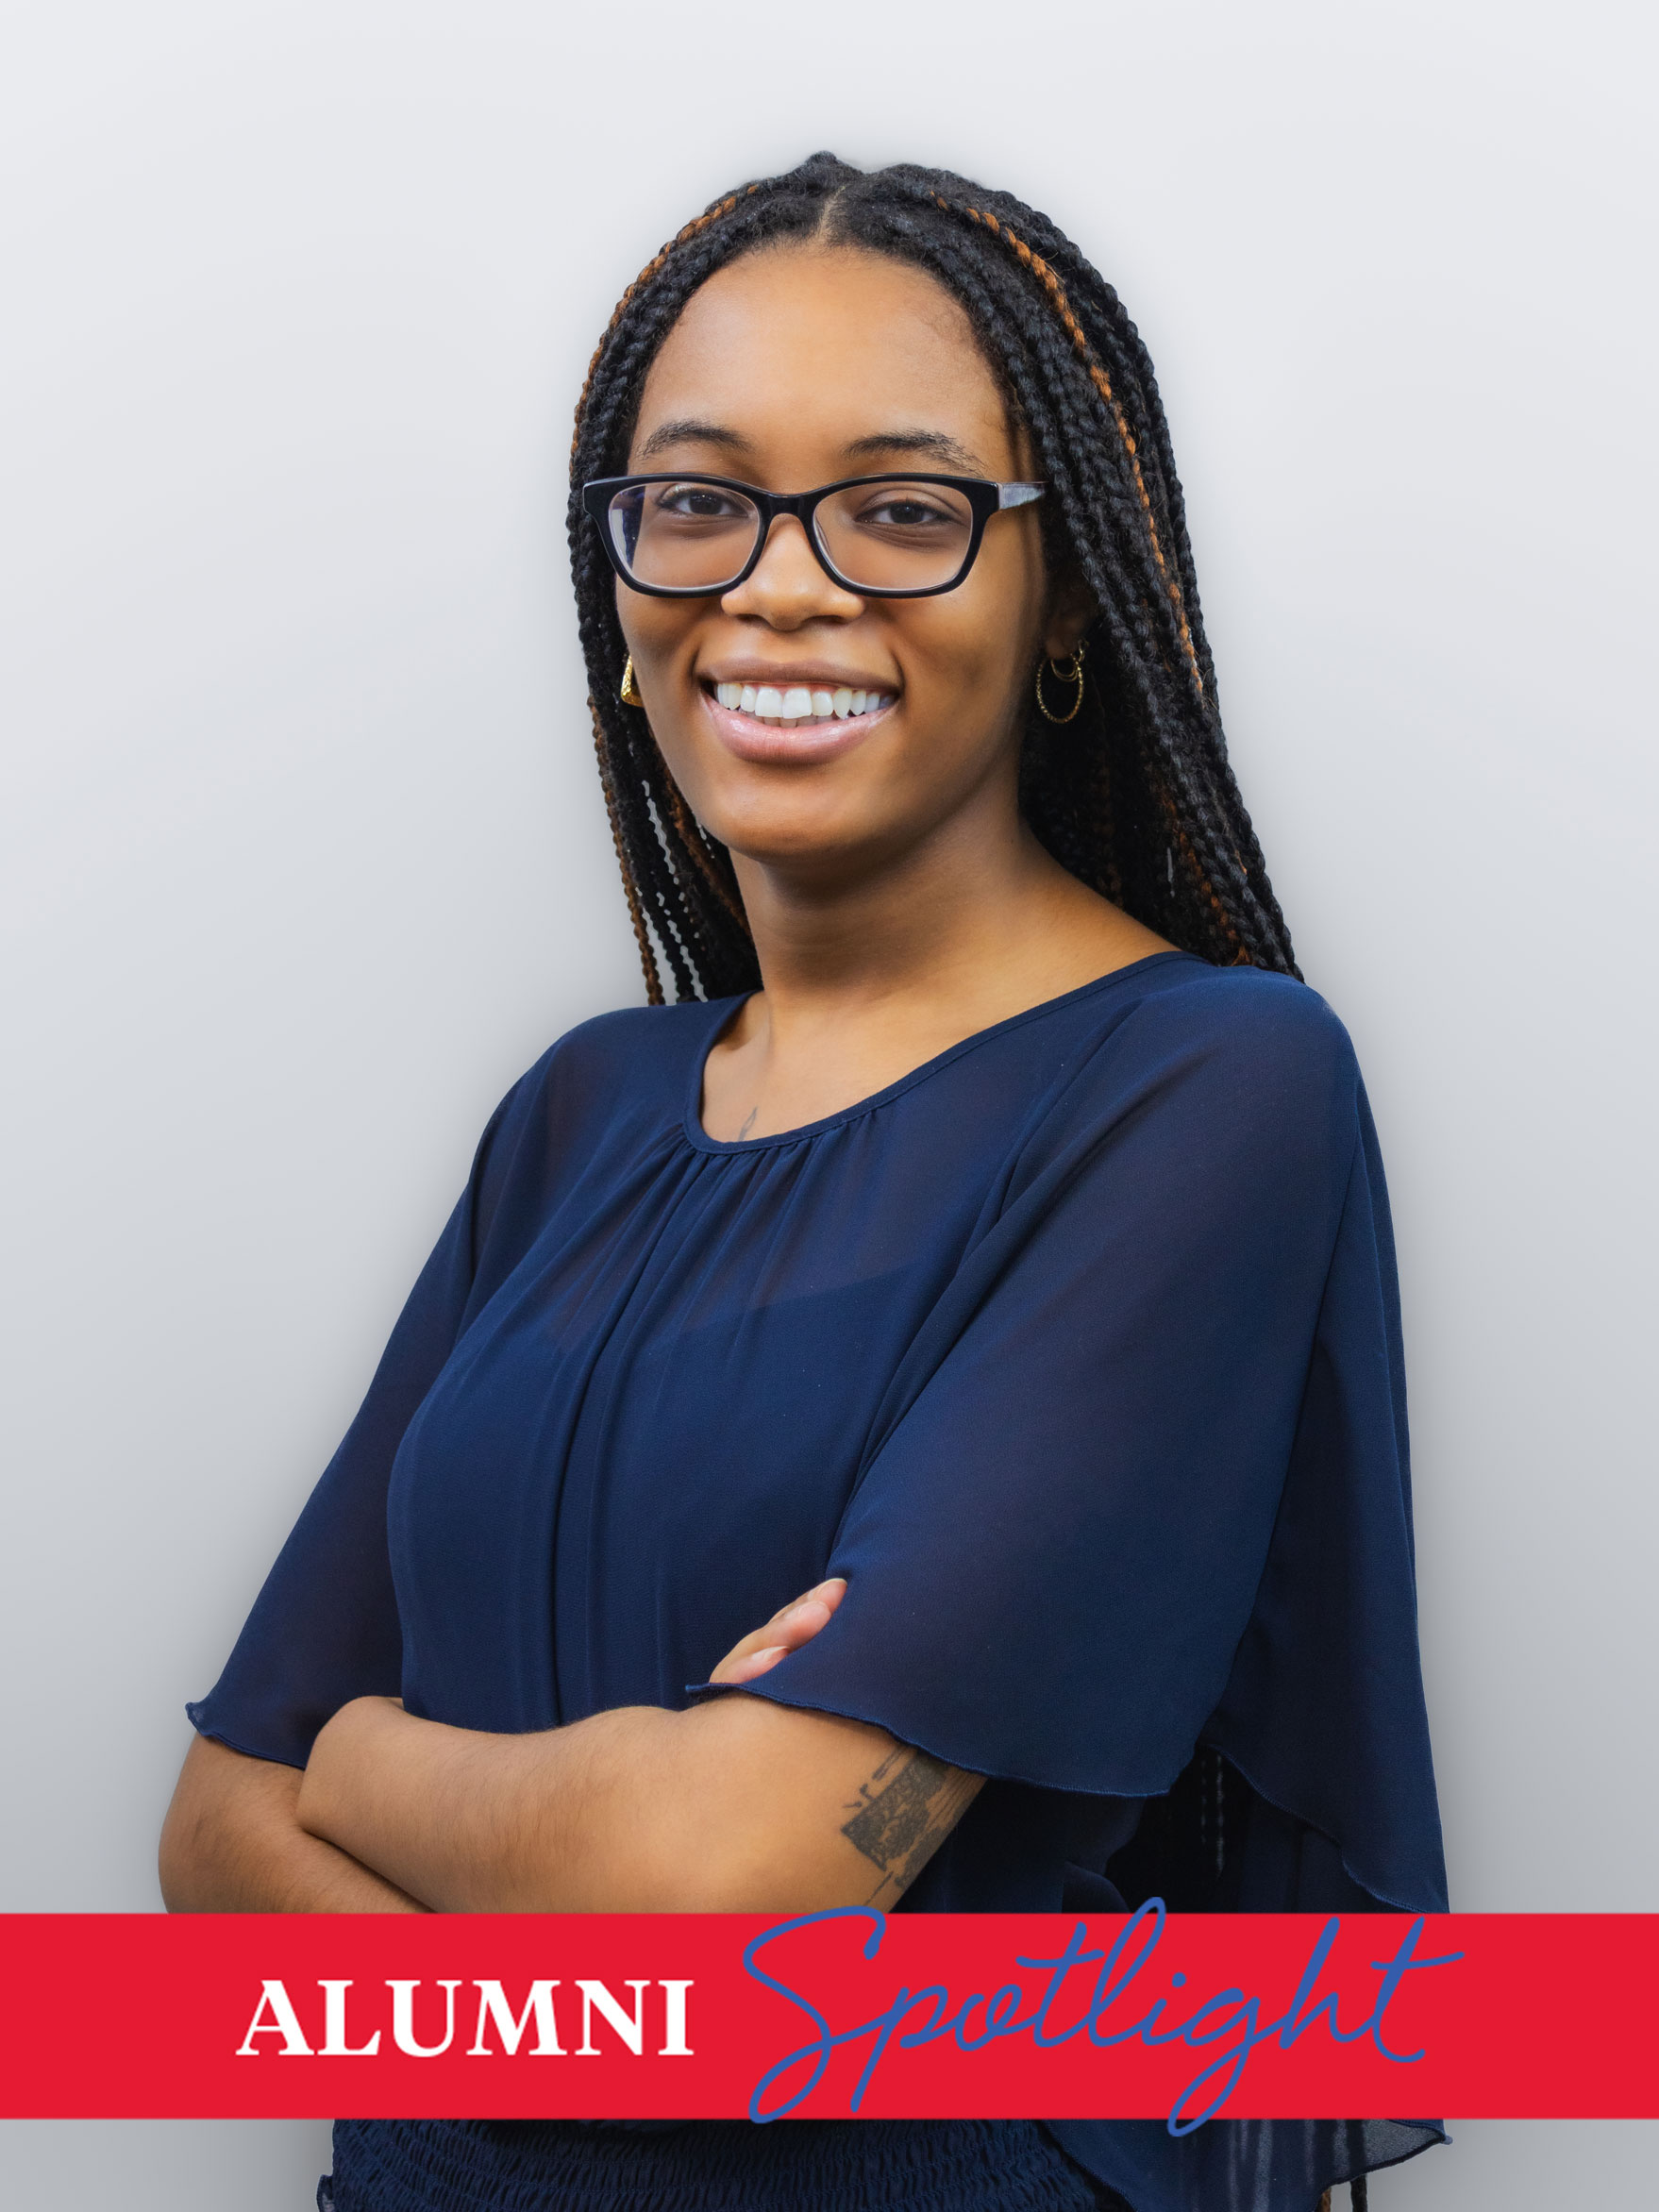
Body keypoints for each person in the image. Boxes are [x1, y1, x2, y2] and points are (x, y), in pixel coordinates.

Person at [159, 153, 1447, 2212]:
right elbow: (213, 1836)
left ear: (1064, 607)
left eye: (906, 508)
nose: (779, 582)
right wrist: (574, 1901)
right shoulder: (579, 1116)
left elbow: (716, 1871)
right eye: (700, 498)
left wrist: (373, 1760)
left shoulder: (1205, 1083)